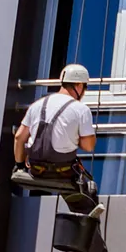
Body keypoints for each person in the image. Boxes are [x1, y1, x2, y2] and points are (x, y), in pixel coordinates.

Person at [14, 63, 97, 196]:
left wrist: (19, 166)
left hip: (36, 169)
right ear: (79, 85)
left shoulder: (37, 105)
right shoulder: (81, 110)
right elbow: (88, 147)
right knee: (86, 191)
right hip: (63, 171)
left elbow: (19, 137)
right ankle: (82, 214)